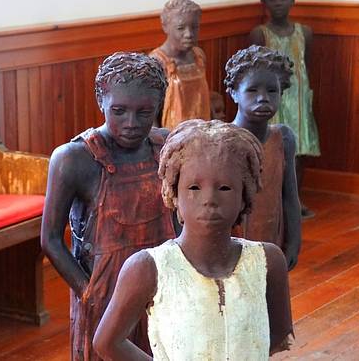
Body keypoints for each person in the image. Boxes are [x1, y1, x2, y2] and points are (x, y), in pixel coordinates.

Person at [93, 119, 293, 360]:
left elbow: (278, 332)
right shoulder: (149, 268)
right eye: (194, 188)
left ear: (244, 195)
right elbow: (107, 342)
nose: (209, 199)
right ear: (174, 194)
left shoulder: (267, 261)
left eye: (225, 188)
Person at [40, 52, 176, 360]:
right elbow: (49, 239)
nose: (131, 123)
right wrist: (87, 291)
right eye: (119, 111)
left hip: (161, 284)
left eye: (145, 112)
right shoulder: (74, 159)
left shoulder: (166, 146)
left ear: (159, 104)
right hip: (104, 291)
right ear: (101, 98)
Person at [250, 0, 320, 219]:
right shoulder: (260, 34)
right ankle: (270, 200)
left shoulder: (305, 33)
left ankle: (295, 200)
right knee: (271, 149)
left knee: (299, 150)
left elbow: (305, 65)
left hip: (298, 99)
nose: (278, 3)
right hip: (271, 100)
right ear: (264, 3)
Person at [226, 45, 301, 270]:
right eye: (252, 91)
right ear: (234, 93)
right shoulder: (222, 140)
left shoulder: (283, 138)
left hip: (270, 241)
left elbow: (290, 196)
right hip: (231, 245)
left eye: (272, 91)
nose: (263, 99)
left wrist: (294, 242)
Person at [150, 0, 211, 130]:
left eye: (194, 27)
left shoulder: (199, 56)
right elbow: (151, 113)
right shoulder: (157, 62)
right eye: (180, 28)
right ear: (165, 27)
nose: (189, 34)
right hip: (173, 137)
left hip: (203, 132)